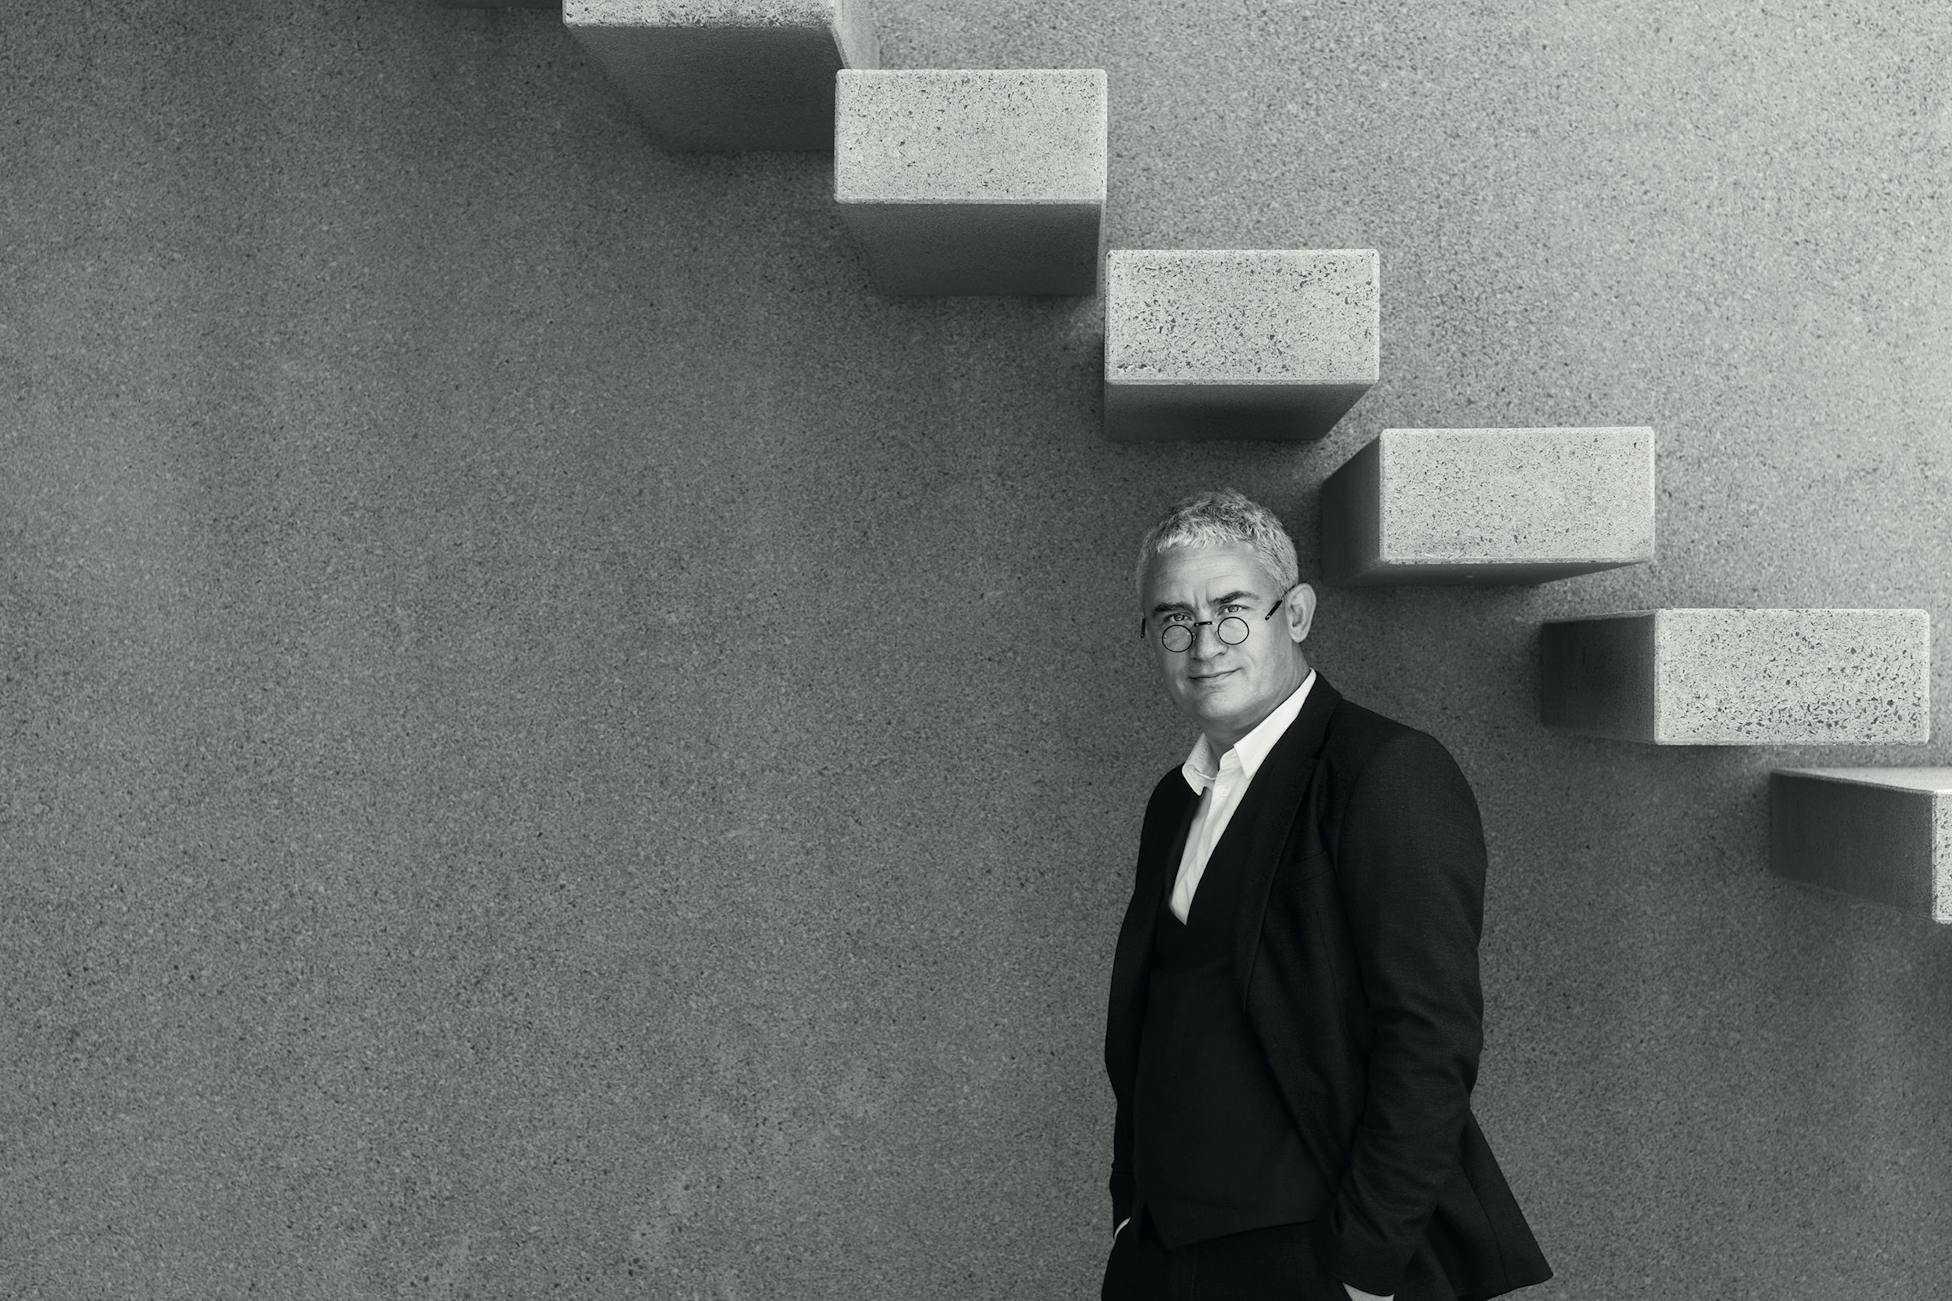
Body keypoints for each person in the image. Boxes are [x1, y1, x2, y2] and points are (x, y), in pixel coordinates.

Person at [1101, 490, 1552, 1301]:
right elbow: (1159, 1015)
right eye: (1174, 620)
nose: (1204, 645)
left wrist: (1363, 1267)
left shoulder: (1387, 773)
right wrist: (1130, 1214)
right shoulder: (1175, 799)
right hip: (1164, 1257)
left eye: (1233, 609)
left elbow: (1429, 1037)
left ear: (1297, 612)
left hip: (1312, 1261)